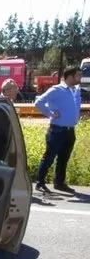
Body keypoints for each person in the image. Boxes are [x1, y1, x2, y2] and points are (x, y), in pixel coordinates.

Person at [34, 66, 83, 194]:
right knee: (49, 157)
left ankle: (59, 183)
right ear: (70, 76)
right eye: (78, 75)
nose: (80, 78)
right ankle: (40, 183)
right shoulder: (57, 90)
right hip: (57, 130)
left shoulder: (76, 90)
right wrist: (50, 113)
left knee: (64, 158)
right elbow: (39, 102)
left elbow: (77, 105)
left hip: (70, 130)